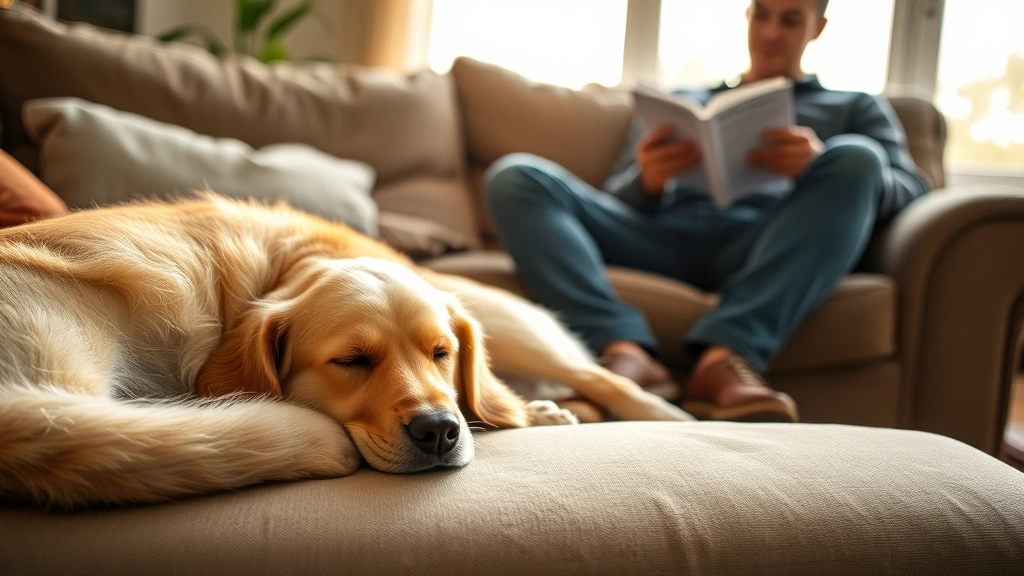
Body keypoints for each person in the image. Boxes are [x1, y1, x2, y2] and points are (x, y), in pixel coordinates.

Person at [483, 0, 930, 422]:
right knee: (515, 176)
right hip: (655, 237)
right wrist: (648, 180)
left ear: (818, 28)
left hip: (763, 243)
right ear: (748, 15)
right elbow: (616, 196)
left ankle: (725, 356)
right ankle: (622, 349)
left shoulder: (854, 106)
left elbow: (912, 189)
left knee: (859, 155)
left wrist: (817, 164)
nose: (771, 33)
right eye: (762, 15)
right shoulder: (680, 101)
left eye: (790, 20)